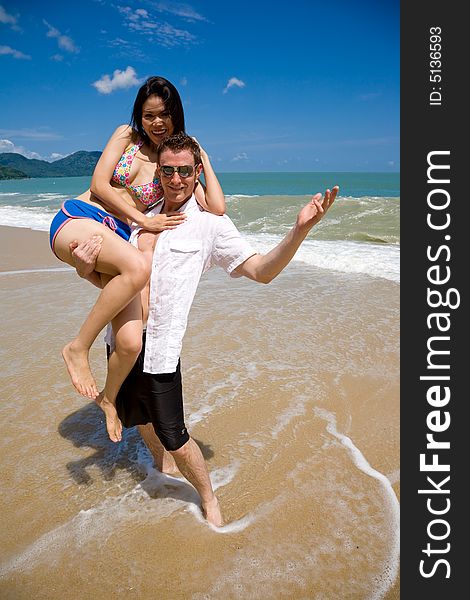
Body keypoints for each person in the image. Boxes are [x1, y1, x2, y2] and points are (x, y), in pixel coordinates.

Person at [74, 132, 338, 527]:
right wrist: (83, 266)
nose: (176, 180)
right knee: (140, 419)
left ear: (197, 171)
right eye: (168, 171)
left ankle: (208, 497)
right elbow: (109, 280)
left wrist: (300, 229)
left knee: (176, 436)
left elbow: (261, 270)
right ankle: (158, 466)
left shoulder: (210, 225)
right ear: (158, 172)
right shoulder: (140, 216)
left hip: (161, 351)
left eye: (184, 171)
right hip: (122, 340)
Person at [49, 76, 225, 443]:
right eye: (148, 115)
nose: (157, 123)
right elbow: (99, 184)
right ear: (139, 117)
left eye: (164, 115)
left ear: (176, 115)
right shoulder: (125, 137)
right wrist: (145, 219)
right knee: (138, 267)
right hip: (80, 219)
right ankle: (77, 347)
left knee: (131, 343)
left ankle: (108, 399)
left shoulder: (172, 162)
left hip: (115, 241)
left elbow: (215, 206)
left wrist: (204, 157)